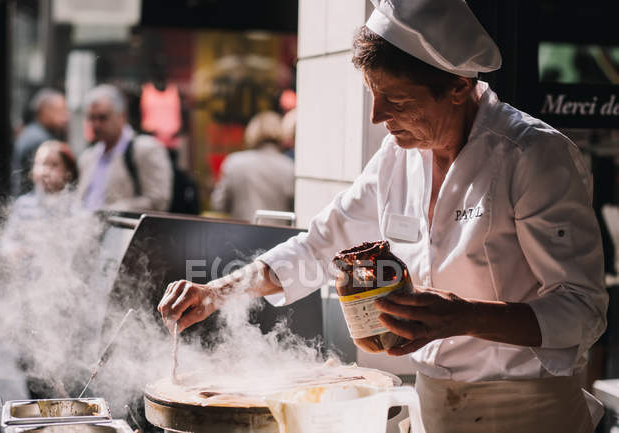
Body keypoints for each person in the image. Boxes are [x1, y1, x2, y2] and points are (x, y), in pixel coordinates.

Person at [158, 1, 607, 432]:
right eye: (373, 95)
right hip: (434, 408)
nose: (378, 116)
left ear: (457, 86)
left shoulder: (532, 156)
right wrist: (218, 291)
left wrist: (465, 316)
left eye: (396, 98)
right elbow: (320, 244)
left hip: (527, 411)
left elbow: (582, 310)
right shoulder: (398, 157)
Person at [76, 84, 172, 212]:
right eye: (91, 118)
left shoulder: (145, 149)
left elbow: (158, 201)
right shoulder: (87, 157)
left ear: (122, 117)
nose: (96, 125)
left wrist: (110, 211)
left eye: (103, 118)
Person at [210, 111, 294, 222]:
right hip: (279, 235)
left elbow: (218, 205)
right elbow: (295, 206)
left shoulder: (234, 162)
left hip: (242, 233)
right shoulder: (289, 166)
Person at [11, 88, 69, 196]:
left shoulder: (31, 133)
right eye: (60, 111)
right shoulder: (39, 140)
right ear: (45, 111)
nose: (64, 118)